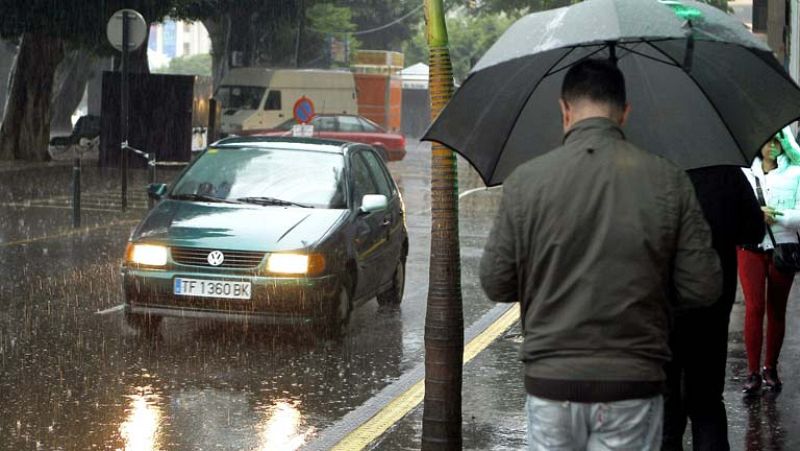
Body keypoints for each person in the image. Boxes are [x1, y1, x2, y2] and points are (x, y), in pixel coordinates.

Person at [479, 58, 722, 451]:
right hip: (634, 381)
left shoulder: (527, 181)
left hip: (552, 383)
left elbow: (496, 281)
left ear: (564, 109)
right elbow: (704, 286)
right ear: (625, 113)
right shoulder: (668, 180)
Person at [662, 166, 764, 451]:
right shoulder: (726, 173)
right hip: (712, 303)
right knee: (706, 400)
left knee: (665, 403)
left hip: (661, 307)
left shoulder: (646, 173)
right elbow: (754, 229)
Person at [738, 129, 800, 394]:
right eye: (768, 141)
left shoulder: (796, 172)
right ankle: (752, 372)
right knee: (754, 308)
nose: (773, 146)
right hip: (749, 246)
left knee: (776, 310)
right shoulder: (744, 173)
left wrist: (779, 217)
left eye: (779, 141)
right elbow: (735, 210)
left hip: (783, 247)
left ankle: (770, 368)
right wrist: (755, 215)